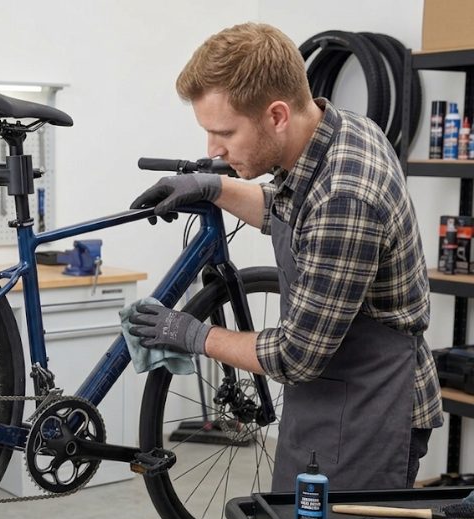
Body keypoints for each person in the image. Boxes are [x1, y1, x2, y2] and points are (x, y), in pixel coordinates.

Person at [128, 22, 443, 495]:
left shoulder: (346, 196)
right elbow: (291, 210)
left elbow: (296, 357)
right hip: (331, 395)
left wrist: (193, 334)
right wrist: (213, 186)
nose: (212, 150)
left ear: (276, 115)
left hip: (369, 414)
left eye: (224, 132)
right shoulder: (336, 130)